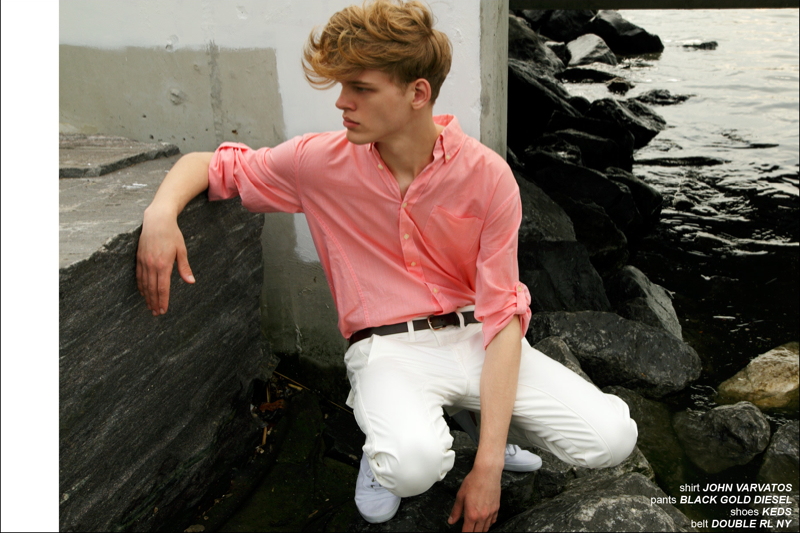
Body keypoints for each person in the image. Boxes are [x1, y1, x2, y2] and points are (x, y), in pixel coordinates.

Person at [136, 1, 638, 531]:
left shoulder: (488, 177)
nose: (342, 102)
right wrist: (160, 214)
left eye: (360, 88)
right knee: (410, 469)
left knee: (612, 439)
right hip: (388, 348)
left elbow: (502, 316)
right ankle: (385, 443)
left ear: (417, 93)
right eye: (342, 87)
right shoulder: (318, 163)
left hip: (476, 336)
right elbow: (213, 166)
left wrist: (488, 465)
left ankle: (479, 421)